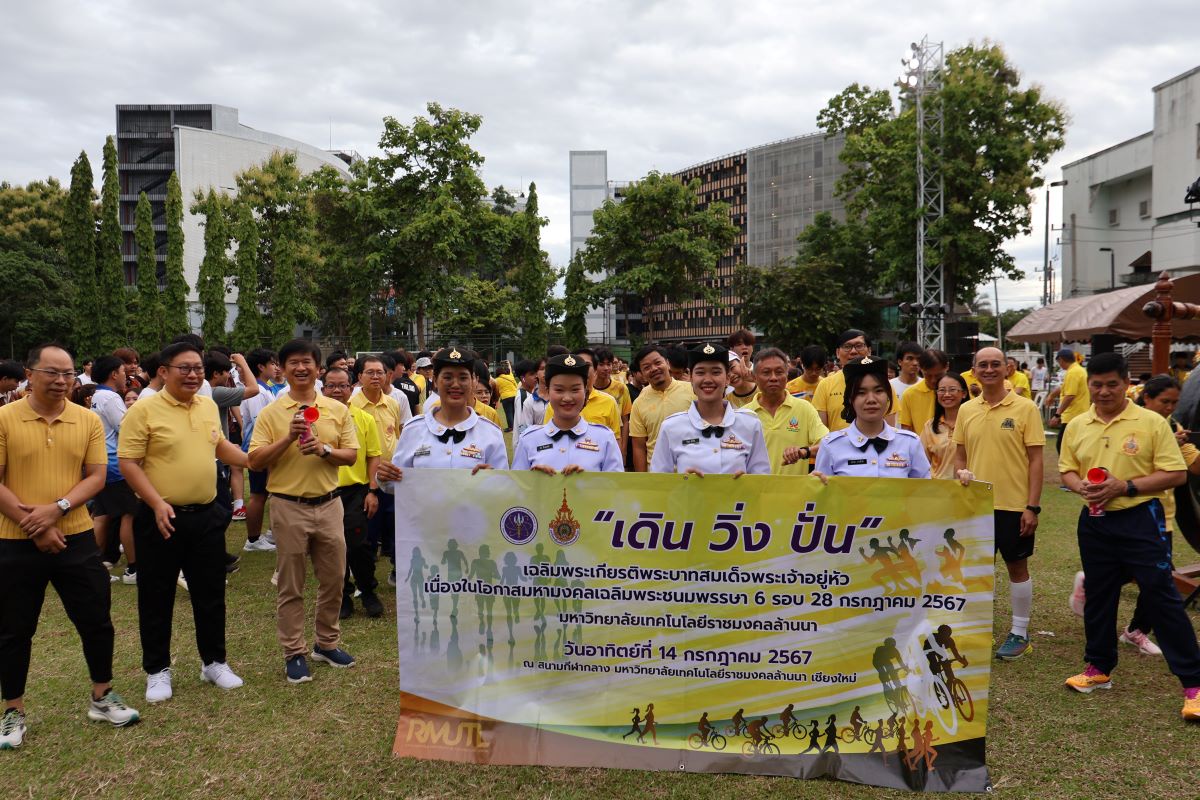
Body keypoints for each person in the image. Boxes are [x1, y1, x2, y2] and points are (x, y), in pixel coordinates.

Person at [0, 344, 139, 749]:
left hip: (76, 535)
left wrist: (56, 510)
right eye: (52, 373)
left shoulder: (86, 419)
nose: (62, 381)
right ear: (30, 373)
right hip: (13, 539)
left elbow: (96, 476)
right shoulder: (5, 419)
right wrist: (36, 525)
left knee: (96, 618)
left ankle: (102, 695)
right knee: (13, 629)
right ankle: (13, 710)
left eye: (69, 373)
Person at [1057, 353, 1200, 720]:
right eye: (1097, 384)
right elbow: (1067, 471)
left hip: (1141, 519)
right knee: (1101, 595)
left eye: (1112, 384)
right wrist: (1081, 488)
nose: (1103, 392)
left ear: (1126, 384)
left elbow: (1176, 474)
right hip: (1094, 520)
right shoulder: (1077, 425)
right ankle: (1098, 668)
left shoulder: (1152, 422)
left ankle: (1194, 684)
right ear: (1088, 384)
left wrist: (1127, 487)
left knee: (1161, 596)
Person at [118, 341, 249, 702]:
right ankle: (157, 670)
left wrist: (252, 458)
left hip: (206, 515)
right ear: (163, 371)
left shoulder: (207, 404)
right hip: (160, 517)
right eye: (184, 368)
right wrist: (157, 502)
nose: (193, 374)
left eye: (198, 368)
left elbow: (219, 445)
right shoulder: (143, 410)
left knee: (210, 592)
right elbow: (128, 462)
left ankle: (214, 662)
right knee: (156, 595)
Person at [248, 340, 359, 685]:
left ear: (317, 368)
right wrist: (287, 438)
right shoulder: (271, 412)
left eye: (307, 362)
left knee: (334, 579)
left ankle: (326, 643)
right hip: (288, 506)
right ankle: (294, 652)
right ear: (282, 367)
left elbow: (352, 455)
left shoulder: (337, 409)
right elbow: (254, 460)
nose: (301, 368)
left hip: (329, 504)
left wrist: (325, 449)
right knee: (291, 584)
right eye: (293, 363)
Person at [953, 347, 1043, 661]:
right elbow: (961, 453)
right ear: (973, 370)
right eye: (983, 365)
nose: (989, 369)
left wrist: (1032, 506)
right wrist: (959, 474)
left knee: (1016, 567)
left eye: (995, 364)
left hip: (1014, 505)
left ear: (1007, 368)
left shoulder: (1026, 408)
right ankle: (979, 630)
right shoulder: (966, 409)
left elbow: (1035, 460)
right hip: (976, 504)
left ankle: (1020, 632)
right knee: (978, 569)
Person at [379, 347, 508, 484]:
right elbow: (396, 484)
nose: (455, 384)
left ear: (474, 381)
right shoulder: (413, 430)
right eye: (447, 377)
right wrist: (384, 478)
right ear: (435, 380)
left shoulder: (491, 433)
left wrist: (495, 480)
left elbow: (505, 487)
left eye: (463, 377)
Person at [650, 344, 770, 476]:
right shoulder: (671, 427)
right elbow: (659, 484)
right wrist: (683, 484)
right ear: (691, 378)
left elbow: (762, 480)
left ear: (728, 378)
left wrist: (747, 483)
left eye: (716, 372)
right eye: (700, 372)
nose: (708, 380)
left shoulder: (750, 424)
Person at [322, 368, 384, 620]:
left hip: (356, 492)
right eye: (331, 386)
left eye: (343, 386)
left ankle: (367, 590)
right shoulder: (315, 418)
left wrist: (372, 491)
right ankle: (343, 595)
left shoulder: (363, 418)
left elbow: (374, 457)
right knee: (332, 548)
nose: (337, 391)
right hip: (324, 491)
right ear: (323, 388)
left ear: (352, 388)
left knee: (359, 545)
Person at [813, 357, 931, 479]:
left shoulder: (910, 443)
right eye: (861, 393)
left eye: (878, 391)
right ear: (850, 399)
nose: (871, 400)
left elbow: (924, 494)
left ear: (889, 396)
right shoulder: (830, 446)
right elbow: (821, 496)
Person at [351, 355, 406, 602]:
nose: (375, 377)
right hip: (365, 480)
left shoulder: (392, 403)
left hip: (393, 478)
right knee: (367, 532)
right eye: (369, 372)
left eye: (380, 372)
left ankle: (398, 570)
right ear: (359, 376)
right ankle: (365, 582)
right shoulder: (350, 406)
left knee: (395, 525)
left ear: (387, 376)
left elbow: (397, 435)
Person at [512, 354, 623, 474]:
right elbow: (516, 488)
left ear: (585, 392)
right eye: (559, 390)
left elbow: (615, 487)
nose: (567, 398)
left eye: (575, 389)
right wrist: (535, 479)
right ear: (548, 392)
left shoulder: (605, 438)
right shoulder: (529, 439)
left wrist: (588, 480)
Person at [90, 356, 140, 584]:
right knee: (129, 513)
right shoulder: (110, 397)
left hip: (101, 461)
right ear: (113, 374)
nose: (125, 374)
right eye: (122, 370)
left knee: (102, 515)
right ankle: (133, 569)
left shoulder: (97, 396)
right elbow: (126, 428)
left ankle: (92, 565)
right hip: (114, 464)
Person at [743, 348, 828, 475]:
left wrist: (804, 452)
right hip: (756, 493)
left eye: (779, 372)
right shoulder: (744, 414)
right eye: (766, 373)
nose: (773, 378)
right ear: (754, 377)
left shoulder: (804, 408)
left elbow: (828, 445)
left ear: (787, 374)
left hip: (795, 493)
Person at [628, 345, 694, 471]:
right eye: (646, 367)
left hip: (691, 472)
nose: (653, 369)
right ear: (641, 373)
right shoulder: (639, 403)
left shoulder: (692, 391)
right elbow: (639, 447)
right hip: (657, 474)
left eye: (657, 363)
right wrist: (643, 480)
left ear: (667, 363)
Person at [239, 349, 278, 555]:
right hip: (259, 448)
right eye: (272, 363)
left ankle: (269, 534)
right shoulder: (257, 392)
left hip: (267, 448)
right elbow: (257, 422)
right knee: (258, 494)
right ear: (261, 367)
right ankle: (253, 539)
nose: (276, 367)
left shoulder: (266, 388)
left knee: (266, 492)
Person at [540, 348, 621, 440]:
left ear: (595, 371)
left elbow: (616, 437)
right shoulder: (555, 405)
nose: (567, 398)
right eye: (559, 390)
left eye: (587, 365)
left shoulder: (605, 435)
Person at [811, 329, 872, 433]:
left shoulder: (883, 385)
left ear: (869, 351)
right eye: (847, 347)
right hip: (836, 448)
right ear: (838, 353)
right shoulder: (825, 385)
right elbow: (820, 431)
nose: (853, 351)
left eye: (859, 346)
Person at [920, 372, 968, 480]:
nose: (946, 394)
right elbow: (921, 462)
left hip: (967, 487)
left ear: (964, 393)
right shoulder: (930, 426)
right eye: (942, 390)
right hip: (937, 489)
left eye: (952, 390)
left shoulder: (972, 423)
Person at [897, 349, 949, 434]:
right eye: (928, 375)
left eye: (938, 375)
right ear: (920, 368)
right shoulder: (910, 394)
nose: (933, 380)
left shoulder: (956, 391)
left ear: (947, 366)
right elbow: (906, 429)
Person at [1047, 348, 1088, 452]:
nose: (1059, 365)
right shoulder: (1078, 370)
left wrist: (1057, 415)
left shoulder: (1073, 372)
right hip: (1078, 414)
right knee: (1071, 447)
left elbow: (1070, 395)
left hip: (1073, 416)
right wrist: (1052, 395)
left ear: (1061, 359)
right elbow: (1065, 387)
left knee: (1062, 447)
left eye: (1058, 362)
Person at [593, 348, 632, 453]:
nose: (606, 368)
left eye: (609, 364)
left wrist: (623, 450)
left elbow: (625, 421)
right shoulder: (587, 390)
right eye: (601, 364)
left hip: (614, 443)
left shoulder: (621, 388)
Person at [494, 360, 518, 433]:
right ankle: (516, 427)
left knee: (508, 412)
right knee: (514, 412)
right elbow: (510, 370)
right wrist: (508, 364)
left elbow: (497, 391)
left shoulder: (497, 380)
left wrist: (496, 400)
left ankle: (511, 428)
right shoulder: (510, 376)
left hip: (506, 397)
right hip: (515, 395)